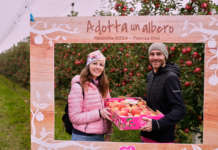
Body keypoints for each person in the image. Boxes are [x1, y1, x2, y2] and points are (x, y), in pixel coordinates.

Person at [140, 43, 186, 143]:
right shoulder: (150, 75)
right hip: (146, 133)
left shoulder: (171, 77)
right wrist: (137, 102)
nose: (155, 57)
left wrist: (157, 124)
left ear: (165, 56)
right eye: (152, 54)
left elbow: (179, 109)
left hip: (162, 138)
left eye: (158, 54)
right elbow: (153, 101)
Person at [68, 50, 112, 141]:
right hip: (83, 137)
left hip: (100, 136)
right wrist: (99, 113)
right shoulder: (78, 86)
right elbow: (74, 117)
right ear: (88, 65)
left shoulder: (104, 86)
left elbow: (109, 109)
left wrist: (109, 132)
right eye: (94, 63)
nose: (98, 67)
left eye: (101, 65)